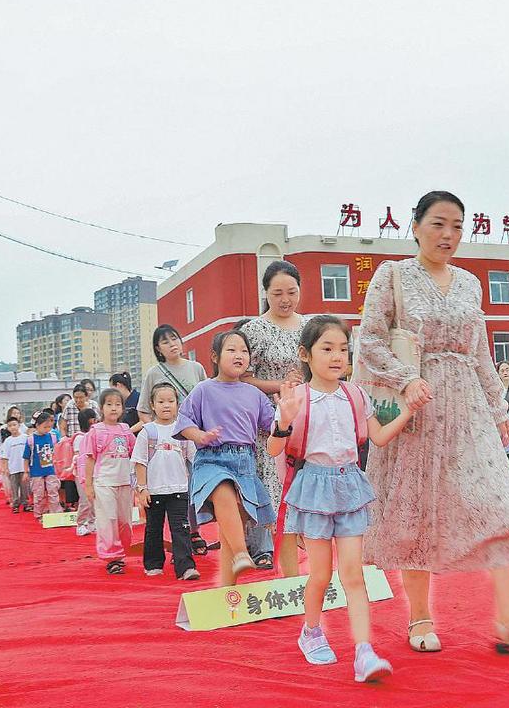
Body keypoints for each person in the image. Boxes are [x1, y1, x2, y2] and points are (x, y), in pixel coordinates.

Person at [356, 191, 509, 656]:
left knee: (505, 506)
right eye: (438, 224)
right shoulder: (392, 277)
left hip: (468, 408)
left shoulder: (470, 283)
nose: (448, 235)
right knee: (417, 511)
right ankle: (420, 616)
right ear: (416, 226)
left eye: (457, 226)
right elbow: (368, 342)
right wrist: (406, 380)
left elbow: (480, 352)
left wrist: (497, 408)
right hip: (416, 413)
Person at [267, 315, 413, 682]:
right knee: (320, 574)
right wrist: (283, 421)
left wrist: (409, 412)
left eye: (343, 350)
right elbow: (274, 449)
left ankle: (364, 651)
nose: (337, 357)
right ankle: (311, 631)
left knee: (352, 574)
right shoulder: (295, 398)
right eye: (327, 349)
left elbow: (377, 437)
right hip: (313, 487)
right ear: (306, 354)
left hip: (349, 485)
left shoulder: (356, 395)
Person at [177, 330, 277, 586]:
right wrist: (200, 436)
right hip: (212, 459)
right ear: (215, 356)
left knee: (231, 527)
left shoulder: (254, 394)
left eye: (244, 351)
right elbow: (184, 422)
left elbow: (272, 425)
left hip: (245, 462)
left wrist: (287, 410)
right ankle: (244, 553)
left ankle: (227, 590)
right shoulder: (203, 390)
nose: (239, 355)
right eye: (232, 350)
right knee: (222, 492)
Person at [241, 260, 308, 575]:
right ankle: (263, 549)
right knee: (269, 482)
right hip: (266, 419)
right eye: (278, 292)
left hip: (305, 415)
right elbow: (241, 377)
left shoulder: (309, 326)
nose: (285, 299)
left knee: (301, 481)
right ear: (265, 293)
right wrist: (280, 386)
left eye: (292, 292)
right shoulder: (253, 330)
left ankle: (297, 544)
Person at [133, 383, 199, 580]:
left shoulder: (184, 430)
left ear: (178, 404)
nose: (166, 405)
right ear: (152, 405)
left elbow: (194, 458)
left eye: (171, 401)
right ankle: (153, 564)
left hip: (179, 489)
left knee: (181, 529)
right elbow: (140, 462)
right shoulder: (147, 431)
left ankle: (185, 567)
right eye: (161, 401)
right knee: (153, 528)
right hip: (154, 490)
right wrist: (142, 489)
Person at [83, 389, 137, 574]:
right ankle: (112, 557)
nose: (113, 408)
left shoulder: (126, 430)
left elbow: (134, 452)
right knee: (108, 520)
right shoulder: (95, 431)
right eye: (109, 404)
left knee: (124, 521)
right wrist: (88, 485)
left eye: (117, 404)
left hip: (124, 483)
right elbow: (89, 459)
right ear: (101, 408)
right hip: (104, 483)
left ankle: (121, 552)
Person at [24, 412, 61, 519]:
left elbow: (58, 451)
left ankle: (55, 513)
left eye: (49, 427)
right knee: (39, 494)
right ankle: (40, 513)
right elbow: (26, 457)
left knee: (53, 491)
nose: (47, 429)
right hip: (36, 471)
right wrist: (26, 472)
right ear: (37, 425)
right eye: (45, 427)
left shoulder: (53, 436)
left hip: (51, 469)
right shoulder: (31, 439)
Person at [73, 408, 98, 536]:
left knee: (94, 500)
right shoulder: (79, 438)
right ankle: (81, 524)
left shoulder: (94, 435)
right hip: (82, 475)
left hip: (94, 473)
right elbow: (79, 457)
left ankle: (92, 523)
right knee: (84, 500)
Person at [1, 416, 29, 513]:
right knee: (14, 488)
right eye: (10, 426)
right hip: (13, 469)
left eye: (14, 425)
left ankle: (26, 504)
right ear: (8, 428)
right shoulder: (8, 441)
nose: (12, 427)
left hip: (24, 468)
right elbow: (5, 456)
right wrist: (5, 469)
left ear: (18, 425)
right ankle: (15, 505)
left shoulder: (25, 438)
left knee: (25, 487)